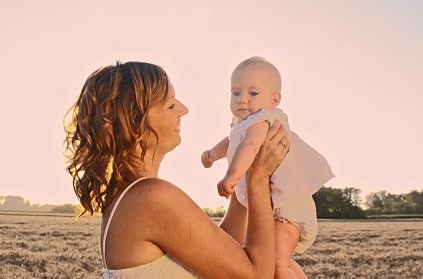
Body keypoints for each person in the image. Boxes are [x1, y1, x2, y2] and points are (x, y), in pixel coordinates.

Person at [64, 61, 292, 279]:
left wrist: (244, 167)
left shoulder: (131, 194)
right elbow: (254, 276)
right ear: (134, 124)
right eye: (171, 104)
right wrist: (258, 179)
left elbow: (224, 254)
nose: (184, 109)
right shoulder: (152, 197)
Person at [201, 57, 334, 279]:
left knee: (275, 268)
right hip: (276, 209)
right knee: (279, 263)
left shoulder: (263, 121)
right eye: (235, 93)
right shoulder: (241, 126)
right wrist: (214, 154)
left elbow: (250, 145)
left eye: (253, 94)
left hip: (287, 211)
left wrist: (231, 175)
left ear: (275, 100)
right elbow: (231, 141)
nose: (242, 100)